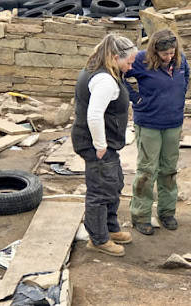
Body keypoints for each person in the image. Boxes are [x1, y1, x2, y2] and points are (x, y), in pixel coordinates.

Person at [71, 34, 138, 257]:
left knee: (113, 182)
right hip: (97, 144)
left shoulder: (100, 70)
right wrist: (100, 145)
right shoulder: (105, 80)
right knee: (100, 190)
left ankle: (110, 228)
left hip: (106, 143)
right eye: (128, 63)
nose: (130, 67)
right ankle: (98, 239)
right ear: (116, 57)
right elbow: (94, 115)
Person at [124, 29, 189, 235]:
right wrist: (135, 99)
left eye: (171, 53)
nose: (169, 57)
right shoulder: (140, 60)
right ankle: (141, 216)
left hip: (173, 123)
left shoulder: (180, 60)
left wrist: (177, 101)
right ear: (155, 51)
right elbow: (118, 74)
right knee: (147, 170)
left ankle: (167, 212)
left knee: (168, 169)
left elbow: (185, 78)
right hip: (149, 123)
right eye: (164, 54)